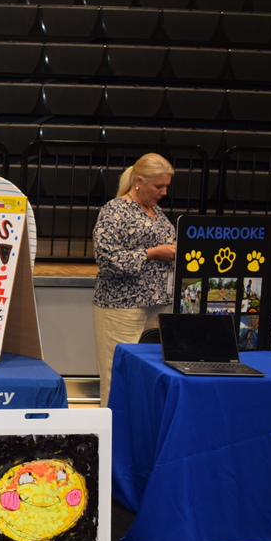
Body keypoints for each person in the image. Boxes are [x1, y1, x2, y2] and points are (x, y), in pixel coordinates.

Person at [92, 153, 177, 408]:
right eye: (158, 186)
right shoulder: (114, 210)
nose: (163, 192)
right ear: (139, 181)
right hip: (122, 305)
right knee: (116, 373)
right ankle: (112, 437)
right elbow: (107, 259)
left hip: (157, 304)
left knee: (148, 373)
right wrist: (152, 253)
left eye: (166, 187)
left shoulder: (156, 211)